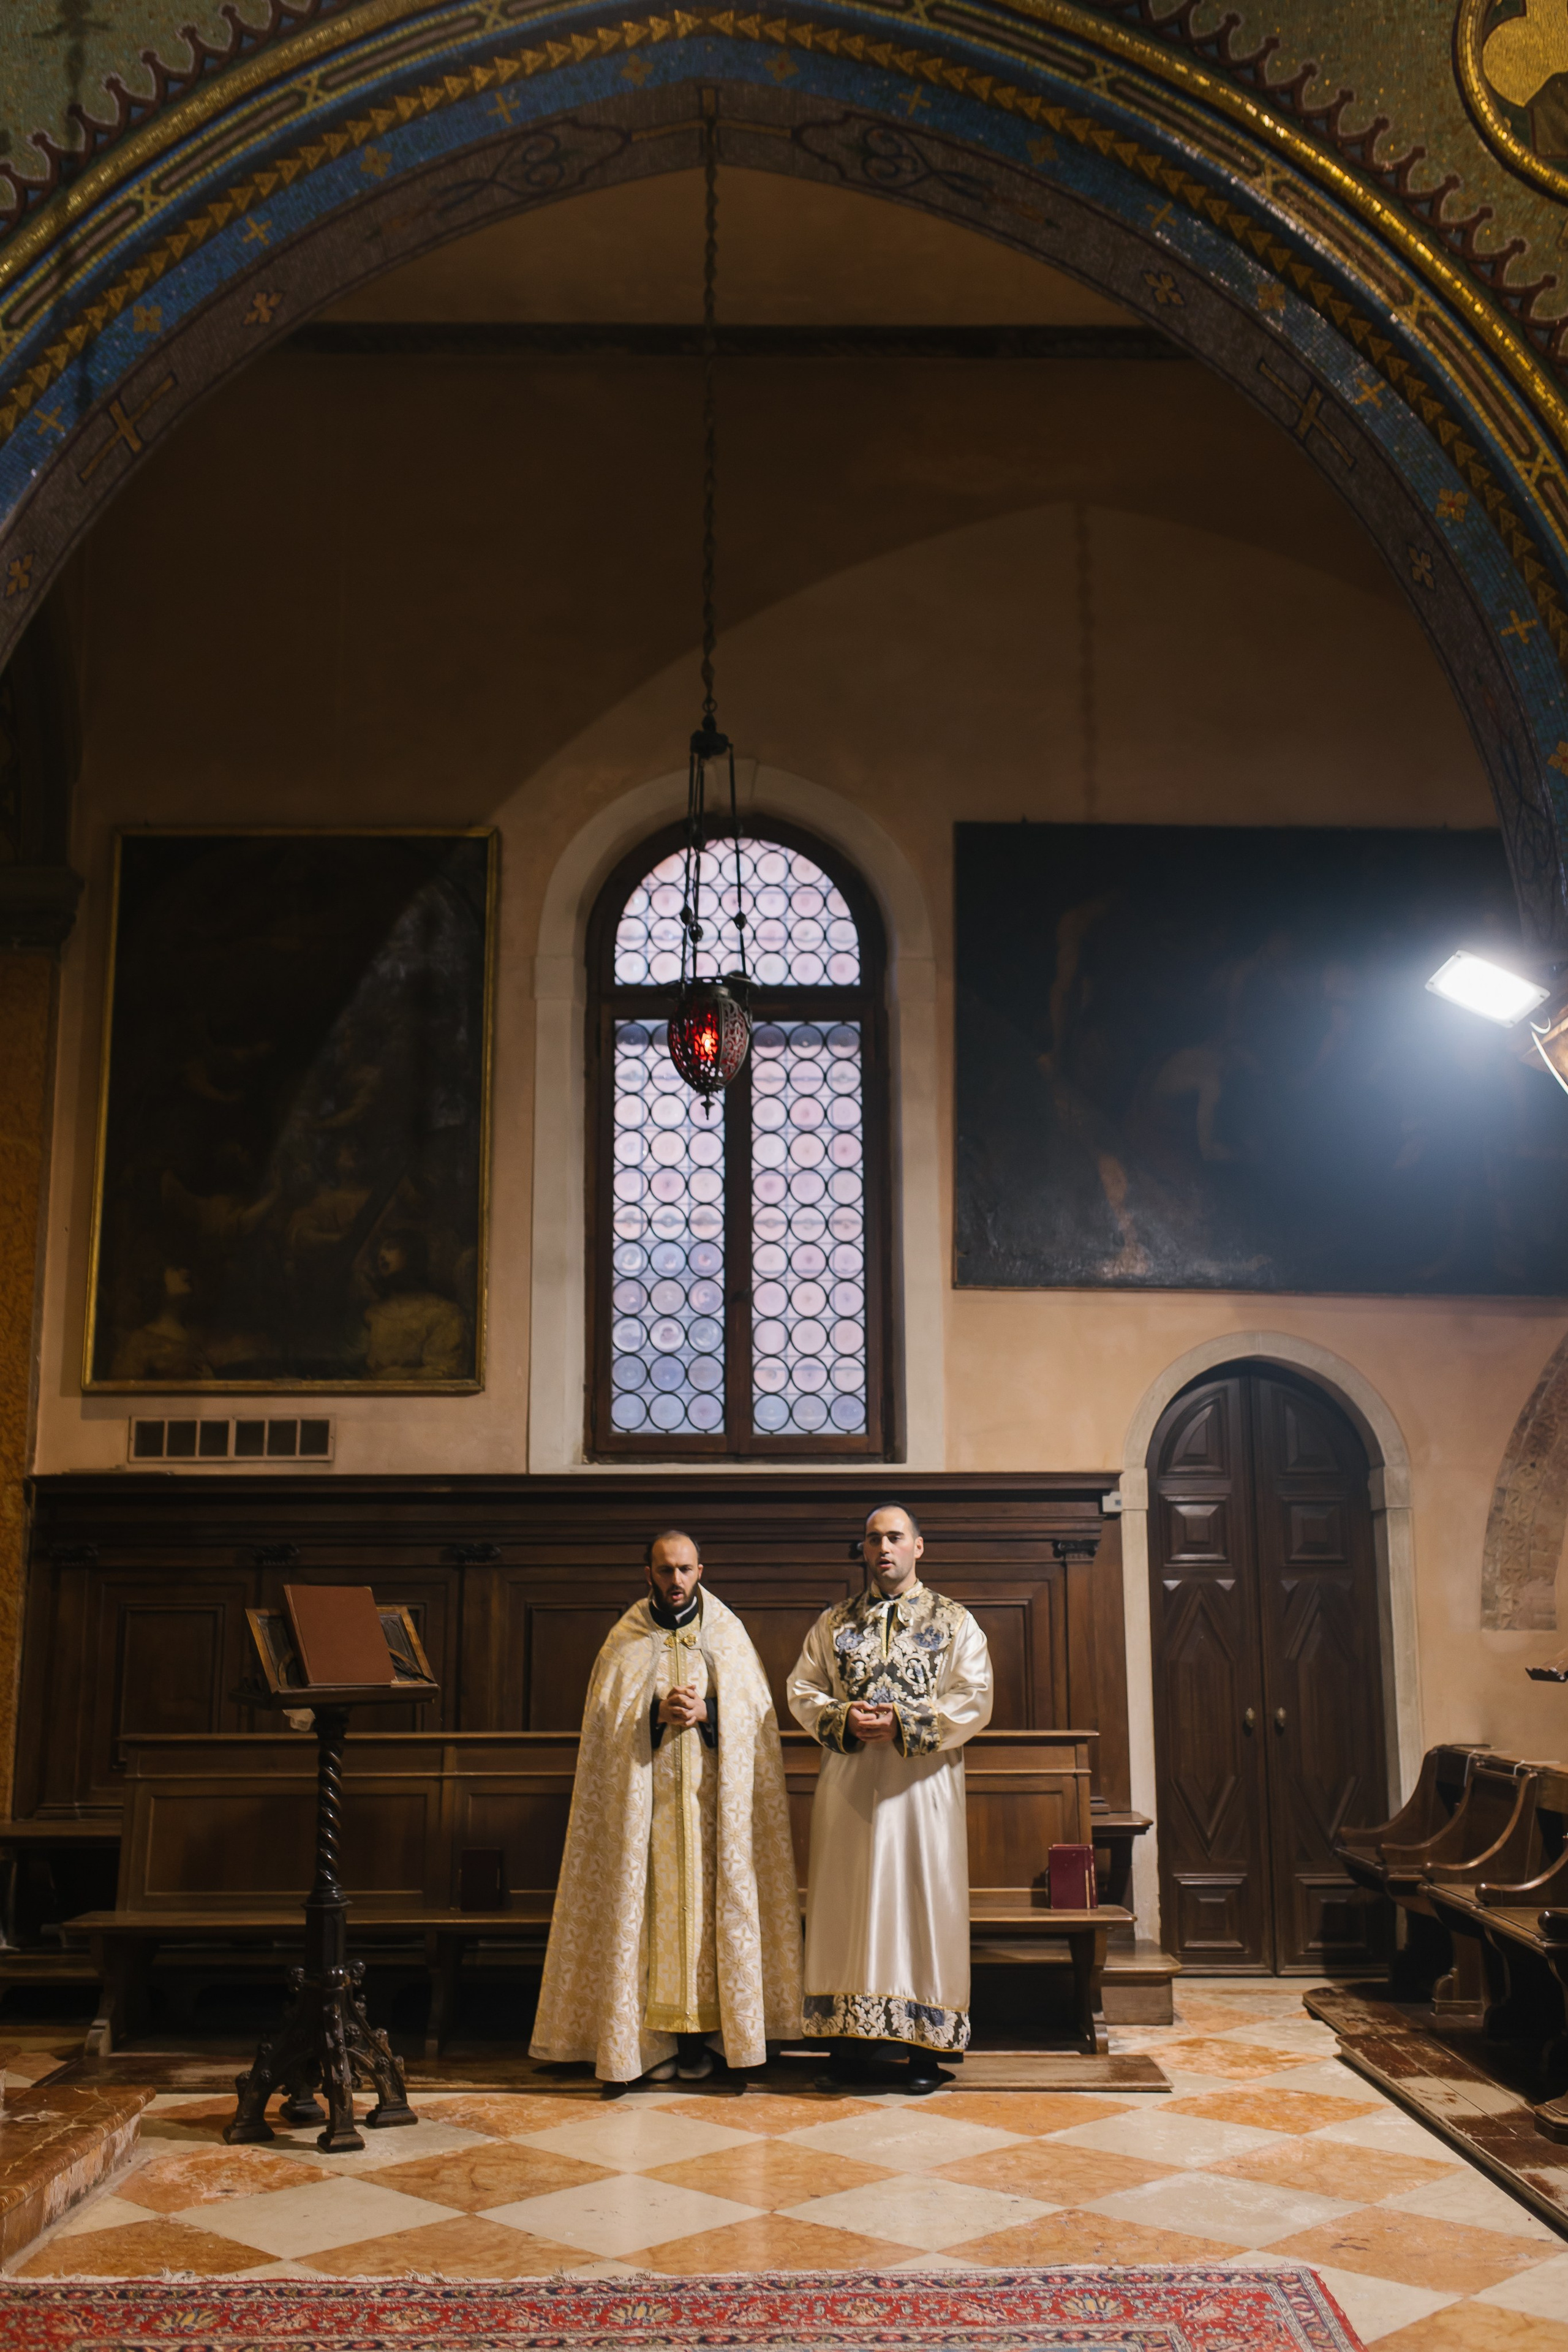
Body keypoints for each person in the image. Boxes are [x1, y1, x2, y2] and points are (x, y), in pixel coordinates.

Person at [530, 1528, 802, 2094]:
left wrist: (709, 1710)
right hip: (645, 1813)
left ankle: (710, 2041)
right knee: (645, 1914)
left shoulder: (727, 1633)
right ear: (647, 1574)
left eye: (684, 1570)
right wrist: (654, 1711)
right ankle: (644, 2046)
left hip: (711, 1816)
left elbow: (757, 1717)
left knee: (712, 1916)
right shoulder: (626, 1638)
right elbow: (605, 1724)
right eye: (664, 1571)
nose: (675, 1581)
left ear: (701, 1570)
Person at [788, 1504, 993, 2093]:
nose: (885, 1548)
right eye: (874, 1539)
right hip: (850, 1786)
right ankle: (848, 2049)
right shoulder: (835, 1623)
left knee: (922, 1908)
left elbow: (974, 1697)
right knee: (848, 1909)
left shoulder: (955, 1622)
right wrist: (842, 1717)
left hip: (922, 1789)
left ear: (918, 1547)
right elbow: (802, 1689)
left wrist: (904, 1723)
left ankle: (923, 2052)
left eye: (896, 1538)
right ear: (864, 1549)